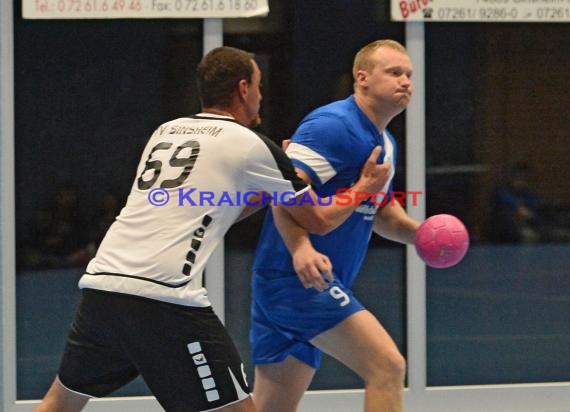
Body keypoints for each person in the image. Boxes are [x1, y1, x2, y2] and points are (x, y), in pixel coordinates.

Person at [34, 46, 392, 412]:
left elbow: (205, 207)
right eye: (259, 86)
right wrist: (364, 187)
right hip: (165, 298)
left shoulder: (166, 132)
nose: (261, 96)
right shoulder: (251, 144)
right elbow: (319, 219)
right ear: (242, 89)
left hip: (102, 286)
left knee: (59, 403)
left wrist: (273, 187)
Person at [250, 39, 421, 412]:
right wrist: (302, 247)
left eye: (408, 74)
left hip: (308, 282)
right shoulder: (333, 126)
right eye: (394, 72)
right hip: (297, 282)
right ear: (362, 77)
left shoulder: (385, 142)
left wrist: (421, 235)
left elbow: (380, 212)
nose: (405, 81)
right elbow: (285, 189)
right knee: (387, 367)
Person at [487, 162, 541, 243]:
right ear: (512, 178)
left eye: (524, 178)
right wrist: (518, 209)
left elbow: (531, 212)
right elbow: (512, 205)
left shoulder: (529, 195)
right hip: (503, 231)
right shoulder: (501, 191)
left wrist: (528, 215)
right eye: (518, 177)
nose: (520, 181)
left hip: (524, 227)